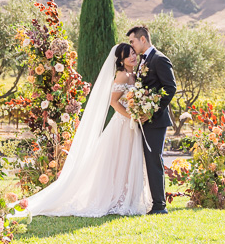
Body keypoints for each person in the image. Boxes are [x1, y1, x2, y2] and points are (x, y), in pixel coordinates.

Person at [22, 42, 151, 217]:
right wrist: (132, 116)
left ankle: (126, 197)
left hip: (131, 125)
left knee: (127, 161)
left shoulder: (133, 74)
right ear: (121, 59)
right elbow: (114, 102)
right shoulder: (121, 75)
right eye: (129, 55)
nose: (133, 57)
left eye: (134, 53)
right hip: (121, 125)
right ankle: (115, 199)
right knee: (117, 161)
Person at [127, 24, 178, 215]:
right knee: (148, 160)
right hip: (144, 119)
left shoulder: (159, 59)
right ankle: (153, 201)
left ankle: (159, 205)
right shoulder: (143, 60)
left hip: (156, 120)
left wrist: (151, 111)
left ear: (142, 39)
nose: (131, 45)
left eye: (132, 41)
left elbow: (170, 88)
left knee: (153, 160)